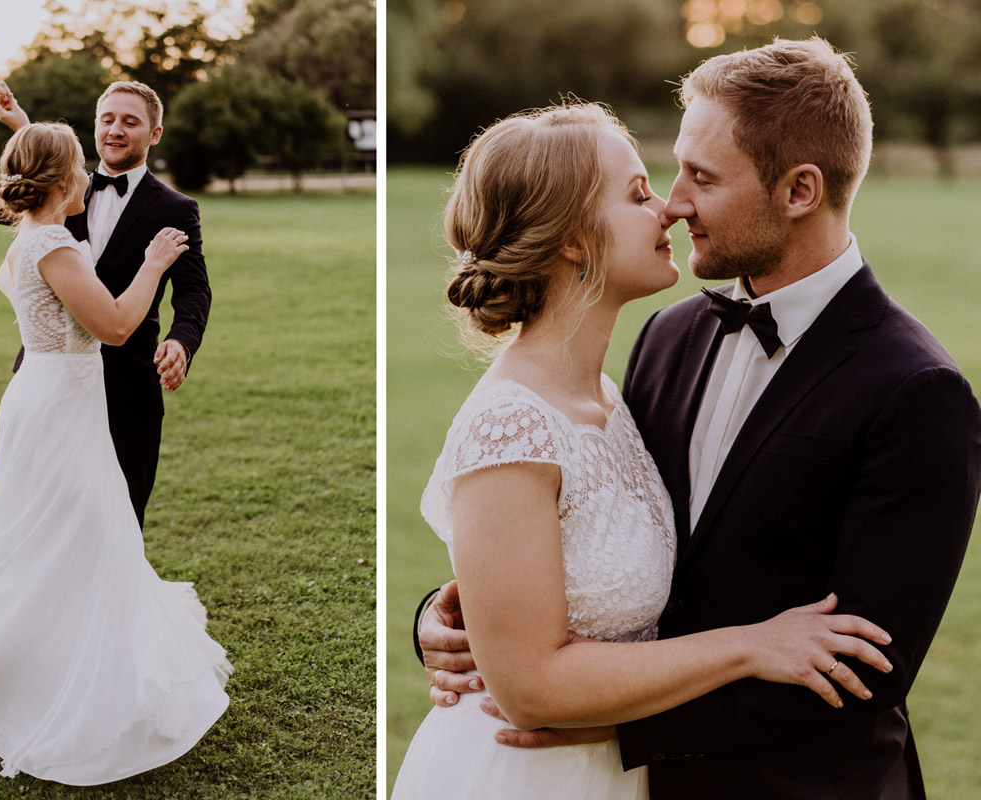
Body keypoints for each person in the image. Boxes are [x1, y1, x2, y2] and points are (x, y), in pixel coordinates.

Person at [414, 39, 981, 799]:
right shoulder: (670, 336)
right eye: (660, 178)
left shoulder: (916, 388)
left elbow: (866, 665)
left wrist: (623, 731)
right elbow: (573, 542)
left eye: (701, 177)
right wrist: (451, 622)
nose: (675, 203)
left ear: (800, 190)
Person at [0, 122, 232, 785]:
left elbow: (58, 276)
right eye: (79, 170)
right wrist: (153, 264)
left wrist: (21, 129)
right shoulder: (53, 244)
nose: (91, 177)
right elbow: (116, 325)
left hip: (50, 395)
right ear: (64, 181)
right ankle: (26, 684)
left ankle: (53, 662)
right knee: (74, 531)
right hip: (60, 403)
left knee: (62, 531)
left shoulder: (32, 237)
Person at [0, 79, 210, 528]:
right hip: (55, 385)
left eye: (130, 122)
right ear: (93, 126)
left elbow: (194, 288)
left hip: (130, 384)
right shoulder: (64, 186)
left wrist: (181, 341)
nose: (115, 130)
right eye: (107, 119)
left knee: (121, 523)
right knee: (45, 519)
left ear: (154, 134)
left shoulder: (176, 207)